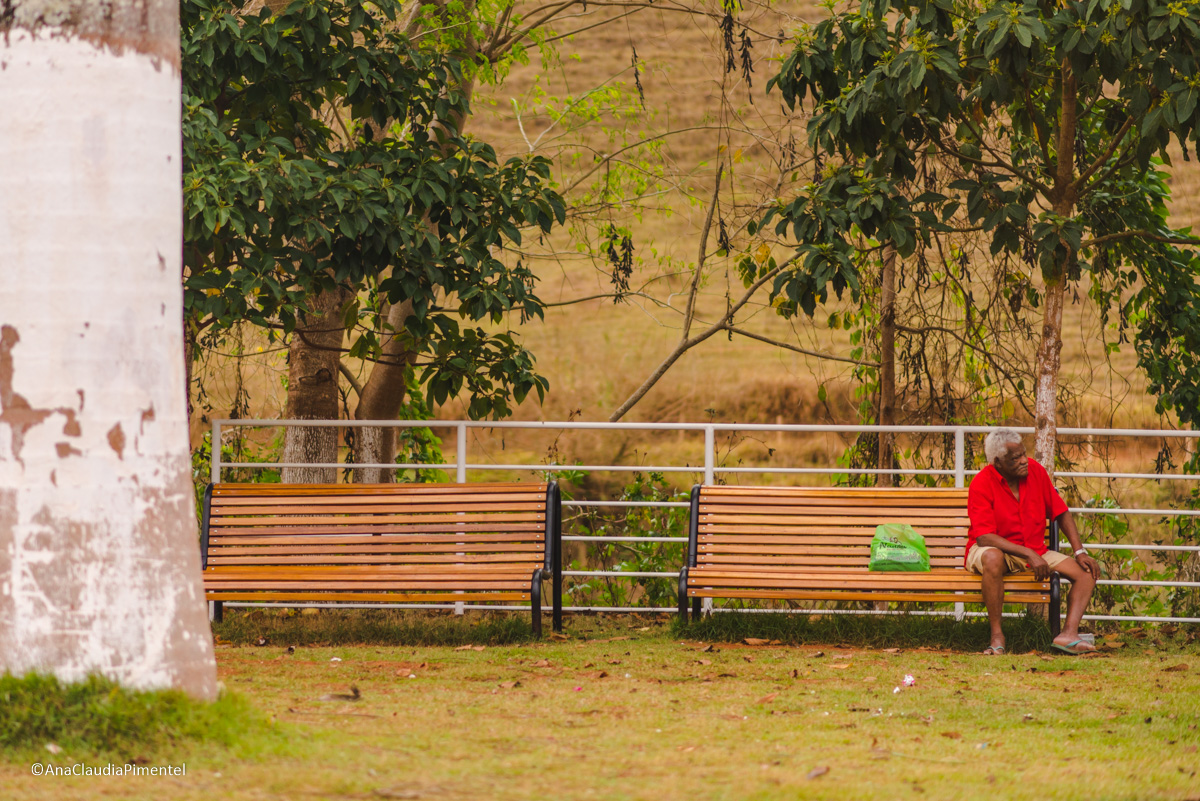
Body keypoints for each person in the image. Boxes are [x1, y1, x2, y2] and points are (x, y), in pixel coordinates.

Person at [965, 429, 1101, 655]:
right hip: (995, 549)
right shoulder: (982, 483)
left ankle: (1068, 635)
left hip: (1035, 550)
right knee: (992, 556)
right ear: (997, 462)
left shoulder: (1036, 472)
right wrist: (1028, 553)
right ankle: (997, 637)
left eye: (1023, 454)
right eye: (1015, 458)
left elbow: (1061, 512)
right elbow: (984, 537)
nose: (1023, 461)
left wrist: (1080, 551)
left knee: (1087, 572)